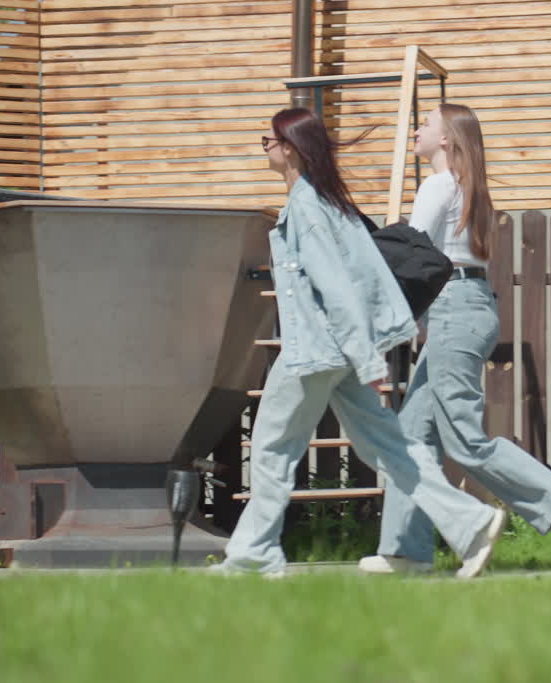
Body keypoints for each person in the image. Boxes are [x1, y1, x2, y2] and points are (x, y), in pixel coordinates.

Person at [212, 108, 506, 579]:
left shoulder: (309, 206)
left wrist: (369, 359)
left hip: (315, 351)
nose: (263, 146)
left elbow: (339, 289)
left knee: (271, 448)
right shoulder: (326, 201)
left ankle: (254, 553)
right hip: (341, 353)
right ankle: (470, 523)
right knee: (388, 446)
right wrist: (363, 356)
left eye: (268, 139)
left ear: (290, 147)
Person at [358, 103, 551, 575]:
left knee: (463, 439)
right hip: (468, 307)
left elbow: (411, 256)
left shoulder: (438, 185)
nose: (417, 131)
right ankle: (406, 550)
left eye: (425, 125)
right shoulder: (466, 188)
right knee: (411, 437)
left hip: (452, 311)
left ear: (446, 140)